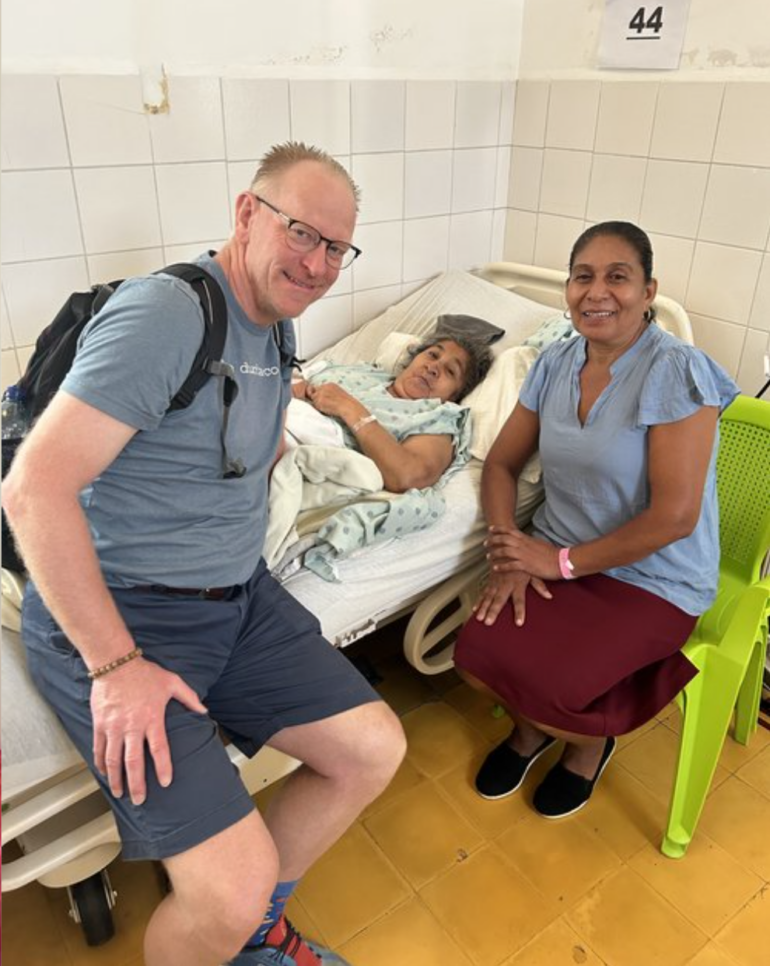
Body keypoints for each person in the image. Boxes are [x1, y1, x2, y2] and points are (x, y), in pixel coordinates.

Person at [2, 141, 407, 966]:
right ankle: (237, 914)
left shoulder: (277, 325)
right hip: (127, 618)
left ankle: (254, 932)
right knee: (228, 883)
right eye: (303, 232)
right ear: (247, 213)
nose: (319, 262)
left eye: (337, 247)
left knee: (373, 750)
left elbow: (249, 449)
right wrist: (116, 670)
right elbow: (32, 492)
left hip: (238, 598)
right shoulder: (171, 313)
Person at [453, 221, 740, 820]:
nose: (597, 292)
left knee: (558, 686)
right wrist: (509, 553)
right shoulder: (556, 363)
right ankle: (530, 735)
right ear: (568, 289)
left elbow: (675, 517)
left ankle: (587, 748)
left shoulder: (676, 371)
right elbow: (502, 464)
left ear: (647, 291)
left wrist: (556, 564)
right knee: (475, 656)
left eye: (618, 277)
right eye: (583, 276)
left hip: (656, 575)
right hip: (554, 552)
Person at [290, 333, 493, 492]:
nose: (433, 367)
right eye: (432, 354)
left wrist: (349, 407)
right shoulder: (366, 372)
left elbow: (408, 476)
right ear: (413, 358)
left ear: (455, 395)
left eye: (450, 371)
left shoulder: (436, 419)